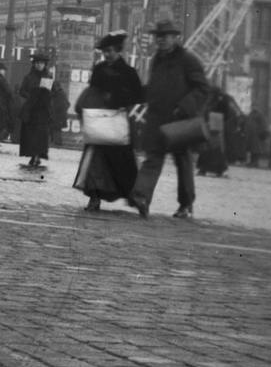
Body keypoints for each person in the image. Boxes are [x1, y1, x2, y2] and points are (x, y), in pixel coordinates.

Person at [130, 19, 211, 219]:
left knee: (183, 164)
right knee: (152, 160)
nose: (161, 40)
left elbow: (202, 88)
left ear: (175, 38)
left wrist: (184, 107)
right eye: (158, 37)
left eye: (165, 37)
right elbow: (156, 89)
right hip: (157, 121)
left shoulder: (188, 60)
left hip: (179, 121)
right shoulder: (157, 59)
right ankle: (141, 197)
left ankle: (185, 205)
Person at [73, 32, 143, 212]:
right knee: (95, 161)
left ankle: (130, 196)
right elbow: (92, 91)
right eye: (105, 52)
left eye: (110, 51)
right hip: (99, 122)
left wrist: (117, 98)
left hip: (119, 122)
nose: (108, 55)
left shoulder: (129, 72)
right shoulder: (98, 69)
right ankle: (94, 198)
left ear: (118, 50)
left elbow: (138, 95)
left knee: (123, 161)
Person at [16, 53, 54, 169]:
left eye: (41, 63)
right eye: (37, 63)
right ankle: (33, 155)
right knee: (31, 133)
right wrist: (30, 95)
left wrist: (48, 94)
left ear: (45, 65)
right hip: (31, 109)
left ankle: (37, 155)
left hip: (43, 109)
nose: (39, 65)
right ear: (34, 64)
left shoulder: (49, 77)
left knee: (41, 134)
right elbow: (22, 91)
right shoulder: (29, 77)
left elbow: (54, 92)